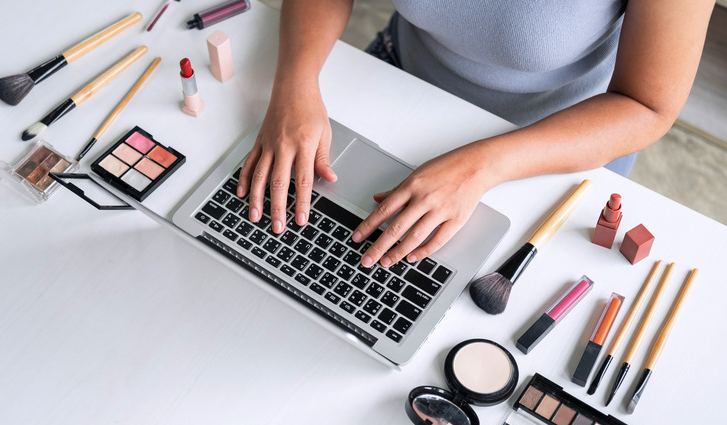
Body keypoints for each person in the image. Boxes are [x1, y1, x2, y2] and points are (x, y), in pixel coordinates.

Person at [237, 0, 714, 269]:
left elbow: (648, 105)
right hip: (397, 78)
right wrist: (295, 85)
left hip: (557, 143)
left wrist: (483, 166)